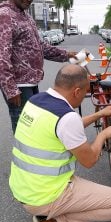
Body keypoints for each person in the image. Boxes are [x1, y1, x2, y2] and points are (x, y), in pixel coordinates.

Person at [9, 64, 111, 222]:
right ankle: (55, 220)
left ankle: (48, 212)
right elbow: (89, 160)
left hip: (23, 188)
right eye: (86, 91)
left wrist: (100, 113)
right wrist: (103, 134)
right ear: (77, 91)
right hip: (45, 195)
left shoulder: (35, 101)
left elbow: (65, 127)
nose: (85, 95)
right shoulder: (66, 118)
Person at [0, 0, 78, 133]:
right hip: (19, 86)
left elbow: (40, 47)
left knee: (34, 128)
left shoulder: (25, 15)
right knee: (25, 131)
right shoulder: (5, 15)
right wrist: (11, 89)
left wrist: (67, 55)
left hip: (31, 83)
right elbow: (2, 56)